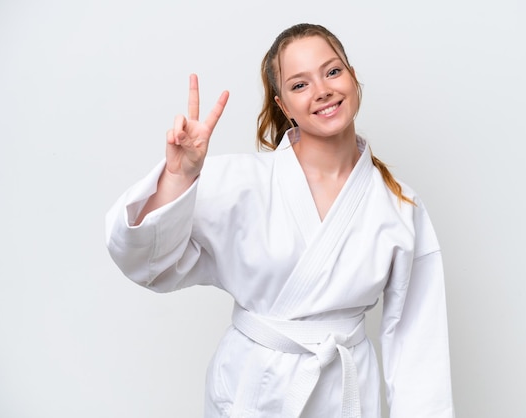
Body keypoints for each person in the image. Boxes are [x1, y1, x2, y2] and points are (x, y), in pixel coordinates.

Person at [106, 23, 454, 418]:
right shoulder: (240, 182)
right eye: (300, 84)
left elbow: (418, 347)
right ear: (283, 105)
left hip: (343, 394)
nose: (322, 89)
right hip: (252, 391)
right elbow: (145, 261)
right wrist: (179, 176)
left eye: (333, 71)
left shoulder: (399, 206)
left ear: (353, 77)